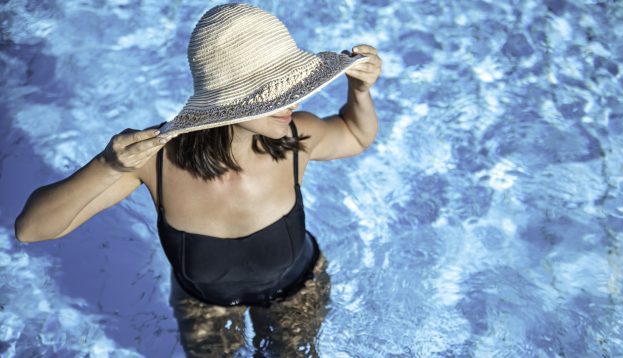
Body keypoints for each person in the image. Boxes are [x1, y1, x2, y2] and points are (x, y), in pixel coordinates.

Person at [14, 3, 382, 357]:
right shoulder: (157, 162)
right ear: (231, 98)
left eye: (294, 88)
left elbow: (355, 134)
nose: (296, 103)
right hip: (205, 307)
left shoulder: (293, 140)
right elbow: (32, 229)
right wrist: (107, 166)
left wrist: (360, 91)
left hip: (298, 292)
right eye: (281, 92)